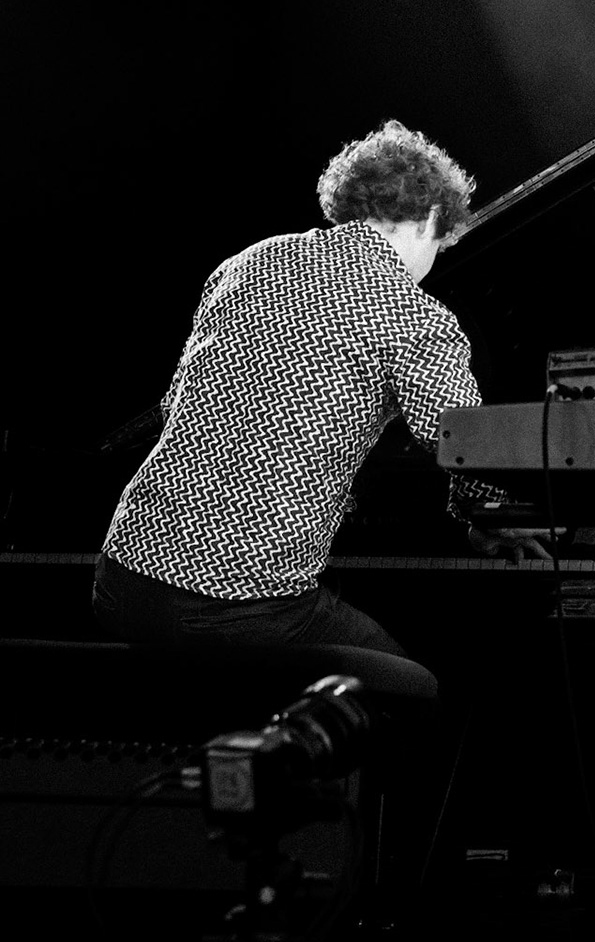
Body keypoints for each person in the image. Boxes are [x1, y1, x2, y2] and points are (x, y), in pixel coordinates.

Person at [94, 120, 543, 655]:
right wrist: (488, 516)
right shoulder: (415, 316)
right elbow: (465, 444)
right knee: (411, 691)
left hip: (120, 575)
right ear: (430, 218)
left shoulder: (248, 262)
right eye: (442, 243)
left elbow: (176, 404)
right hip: (235, 603)